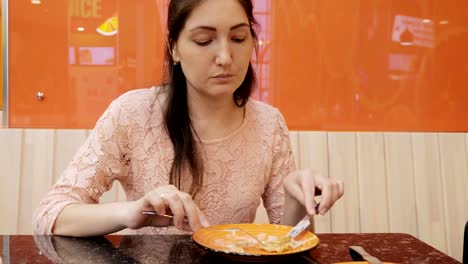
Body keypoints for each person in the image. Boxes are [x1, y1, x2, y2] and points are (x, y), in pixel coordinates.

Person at [33, 0, 344, 237]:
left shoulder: (268, 124)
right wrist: (130, 212)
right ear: (175, 48)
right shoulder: (132, 114)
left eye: (238, 38)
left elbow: (288, 243)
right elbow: (51, 214)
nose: (225, 57)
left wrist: (296, 200)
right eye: (204, 41)